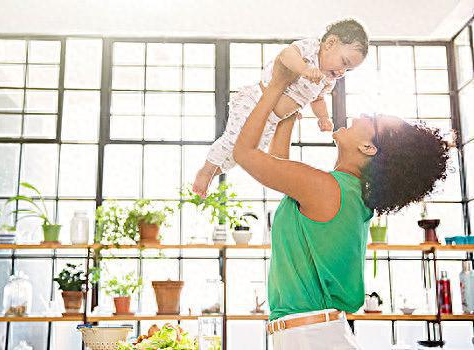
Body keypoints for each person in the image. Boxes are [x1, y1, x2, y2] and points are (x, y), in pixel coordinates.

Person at [232, 54, 450, 349]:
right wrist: (289, 107)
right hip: (317, 335)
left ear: (368, 147)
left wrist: (275, 87)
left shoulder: (328, 189)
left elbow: (244, 154)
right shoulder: (348, 193)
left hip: (311, 338)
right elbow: (279, 167)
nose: (361, 113)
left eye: (370, 119)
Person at [192, 19, 368, 197]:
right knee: (232, 141)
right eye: (344, 62)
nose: (341, 72)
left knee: (245, 154)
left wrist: (323, 117)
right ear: (330, 43)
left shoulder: (328, 80)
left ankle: (215, 171)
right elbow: (286, 55)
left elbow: (318, 99)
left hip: (272, 120)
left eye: (348, 70)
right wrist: (304, 69)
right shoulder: (312, 49)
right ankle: (206, 170)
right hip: (254, 101)